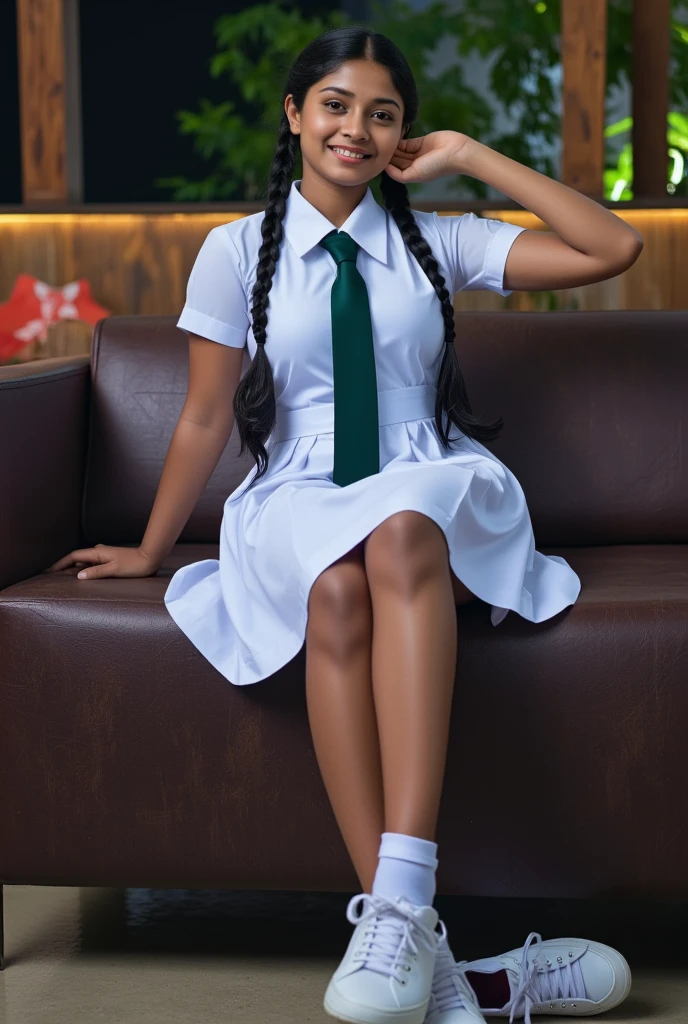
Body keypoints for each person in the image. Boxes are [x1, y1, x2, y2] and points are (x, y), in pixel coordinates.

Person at [45, 25, 642, 1024]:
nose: (355, 128)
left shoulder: (434, 240)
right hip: (296, 493)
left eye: (383, 112)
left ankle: (398, 899)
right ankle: (459, 979)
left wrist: (471, 158)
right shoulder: (235, 251)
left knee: (402, 529)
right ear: (293, 113)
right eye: (334, 104)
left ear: (404, 132)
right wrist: (151, 548)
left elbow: (611, 246)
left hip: (427, 476)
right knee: (333, 586)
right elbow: (200, 416)